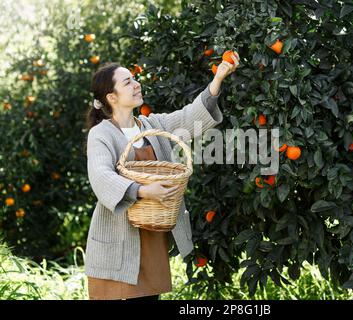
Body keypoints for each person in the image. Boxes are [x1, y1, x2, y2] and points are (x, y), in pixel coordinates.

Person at [83, 52, 240, 300]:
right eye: (128, 82)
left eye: (135, 79)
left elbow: (190, 117)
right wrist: (143, 191)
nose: (137, 85)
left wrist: (218, 78)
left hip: (151, 237)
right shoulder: (101, 134)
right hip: (117, 237)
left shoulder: (153, 125)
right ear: (111, 97)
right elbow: (100, 175)